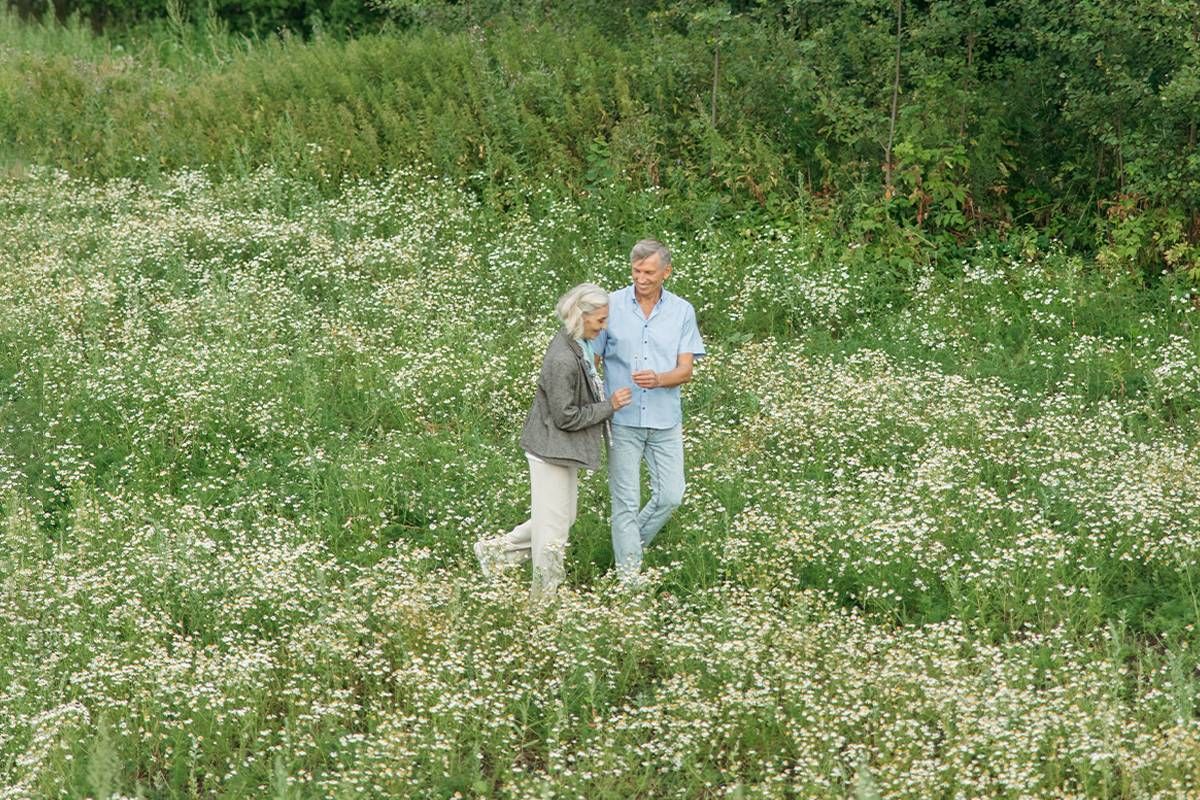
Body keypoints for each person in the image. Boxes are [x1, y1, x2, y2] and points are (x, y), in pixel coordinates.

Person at [474, 283, 633, 600]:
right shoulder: (563, 359)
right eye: (600, 320)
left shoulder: (578, 345)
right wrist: (610, 406)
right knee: (553, 533)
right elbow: (566, 417)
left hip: (562, 450)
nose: (604, 326)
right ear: (581, 316)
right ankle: (543, 601)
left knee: (562, 519)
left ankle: (494, 554)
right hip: (550, 451)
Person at [594, 239, 705, 582]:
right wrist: (600, 402)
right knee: (625, 501)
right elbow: (590, 359)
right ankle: (629, 582)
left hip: (664, 419)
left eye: (649, 272)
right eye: (636, 271)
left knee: (672, 495)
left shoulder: (682, 311)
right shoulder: (610, 305)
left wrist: (659, 379)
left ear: (666, 272)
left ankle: (628, 548)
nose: (641, 278)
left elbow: (686, 370)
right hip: (622, 420)